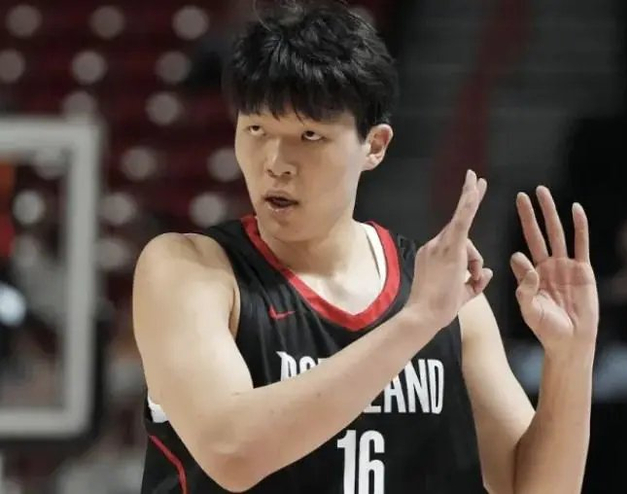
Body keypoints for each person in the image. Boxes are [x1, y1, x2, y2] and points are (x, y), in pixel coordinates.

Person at [132, 2, 600, 493]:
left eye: (309, 135)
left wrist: (570, 360)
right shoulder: (186, 270)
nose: (276, 162)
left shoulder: (445, 302)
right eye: (256, 130)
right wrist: (415, 323)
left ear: (374, 145)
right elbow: (232, 453)